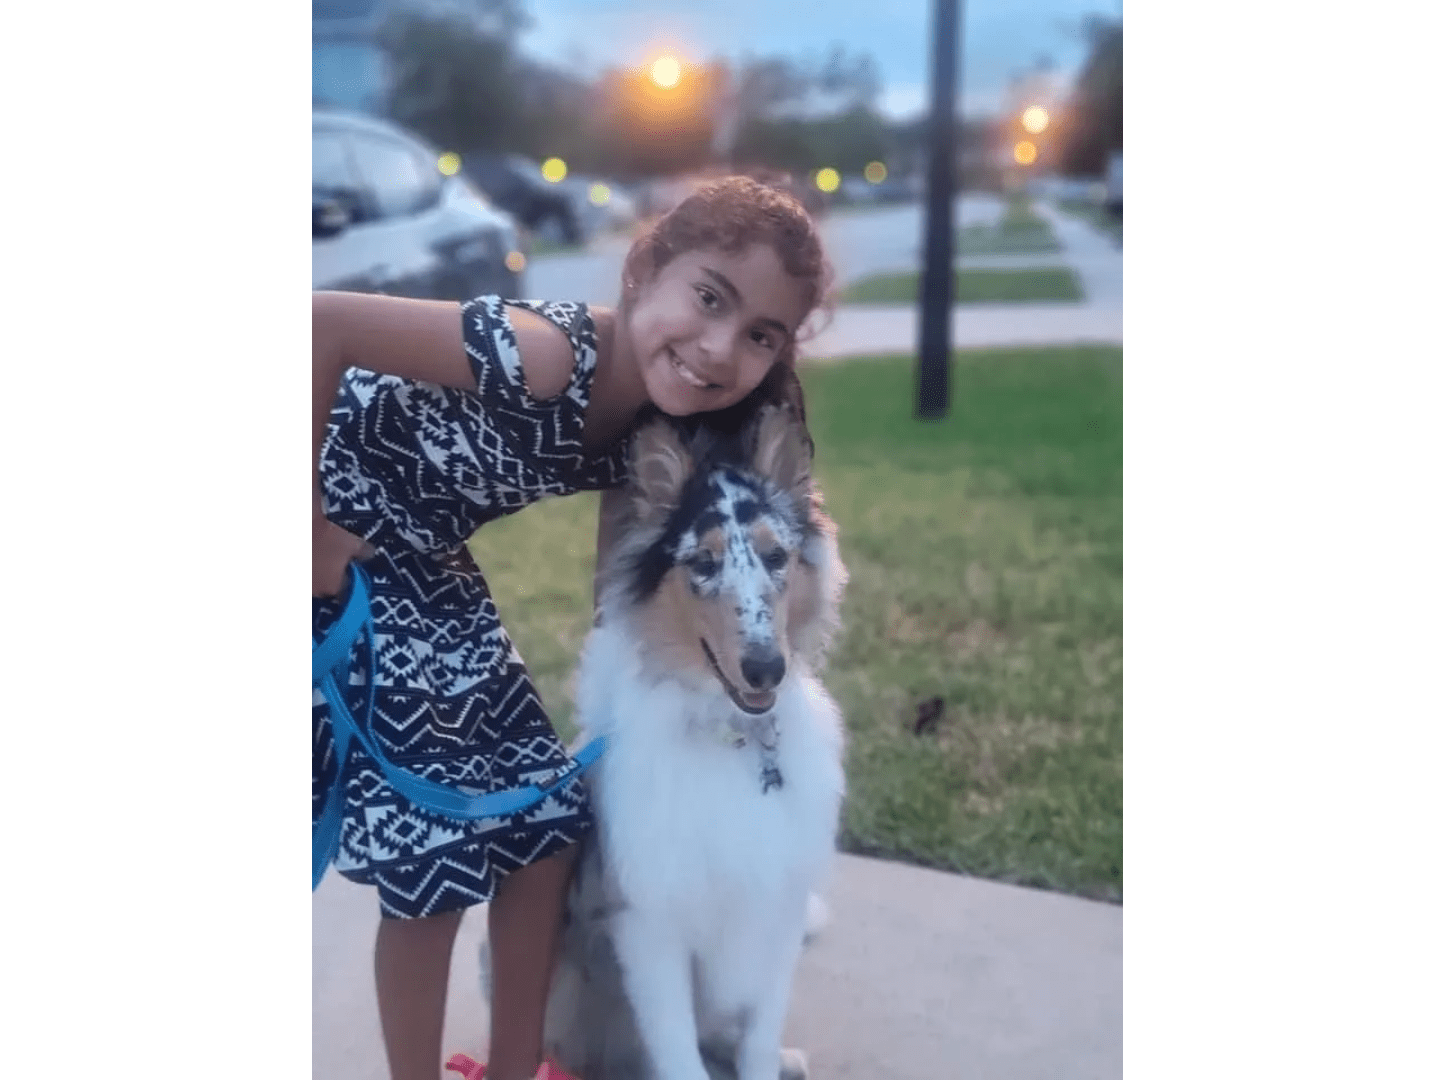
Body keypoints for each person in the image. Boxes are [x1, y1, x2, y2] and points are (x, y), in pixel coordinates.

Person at [312, 175, 833, 1080]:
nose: (719, 347)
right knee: (432, 857)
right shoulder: (544, 352)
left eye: (760, 335)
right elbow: (318, 322)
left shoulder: (651, 429)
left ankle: (518, 1068)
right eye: (709, 298)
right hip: (337, 552)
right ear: (643, 272)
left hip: (421, 560)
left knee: (547, 822)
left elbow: (618, 603)